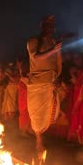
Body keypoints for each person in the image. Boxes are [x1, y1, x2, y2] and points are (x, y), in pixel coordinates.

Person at [26, 15, 62, 157]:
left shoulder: (54, 42)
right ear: (42, 26)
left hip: (50, 81)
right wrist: (53, 50)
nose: (50, 29)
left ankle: (49, 138)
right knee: (36, 113)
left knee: (51, 112)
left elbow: (58, 62)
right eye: (48, 26)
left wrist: (58, 76)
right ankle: (39, 140)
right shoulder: (33, 41)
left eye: (52, 26)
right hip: (37, 82)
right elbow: (36, 57)